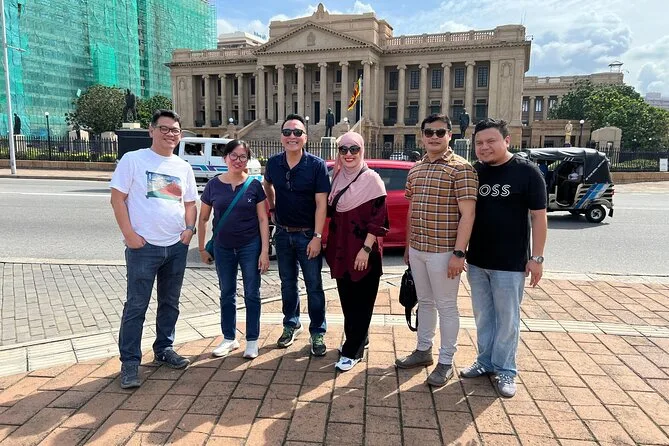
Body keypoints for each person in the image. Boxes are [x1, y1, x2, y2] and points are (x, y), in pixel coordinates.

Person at [110, 109, 197, 389]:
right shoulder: (133, 160)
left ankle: (164, 348)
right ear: (151, 130)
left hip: (175, 246)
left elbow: (189, 203)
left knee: (170, 302)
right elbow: (117, 199)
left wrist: (189, 230)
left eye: (175, 130)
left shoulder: (182, 167)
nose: (170, 134)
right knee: (136, 305)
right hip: (143, 247)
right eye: (164, 128)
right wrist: (129, 235)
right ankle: (130, 362)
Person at [461, 118, 547, 398]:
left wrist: (537, 258)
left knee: (507, 319)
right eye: (479, 143)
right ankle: (485, 361)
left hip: (510, 263)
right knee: (483, 316)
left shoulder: (527, 172)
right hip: (477, 260)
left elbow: (539, 217)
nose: (484, 147)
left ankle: (506, 369)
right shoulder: (475, 172)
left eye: (491, 141)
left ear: (507, 141)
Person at [395, 113, 478, 387]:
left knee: (446, 306)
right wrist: (408, 245)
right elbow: (412, 209)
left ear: (449, 135)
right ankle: (423, 350)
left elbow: (468, 215)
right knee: (426, 302)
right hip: (418, 249)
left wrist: (459, 253)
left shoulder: (461, 169)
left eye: (440, 132)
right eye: (429, 132)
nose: (434, 137)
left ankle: (446, 361)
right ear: (422, 136)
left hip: (444, 251)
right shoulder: (416, 169)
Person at [263, 113, 331, 356]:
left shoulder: (316, 165)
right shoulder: (274, 163)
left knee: (314, 285)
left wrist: (317, 237)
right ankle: (291, 324)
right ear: (281, 136)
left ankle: (318, 331)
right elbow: (267, 184)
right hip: (283, 234)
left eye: (297, 132)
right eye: (287, 132)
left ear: (305, 137)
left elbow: (321, 204)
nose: (292, 136)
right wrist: (272, 208)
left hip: (307, 235)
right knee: (287, 284)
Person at [198, 140, 270, 360]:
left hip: (250, 246)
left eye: (243, 157)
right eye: (234, 156)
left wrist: (264, 251)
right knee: (227, 293)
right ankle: (229, 337)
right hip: (223, 247)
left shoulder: (254, 186)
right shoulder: (213, 185)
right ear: (225, 158)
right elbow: (203, 218)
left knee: (252, 293)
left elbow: (263, 219)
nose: (238, 161)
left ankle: (252, 339)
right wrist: (201, 248)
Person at [325, 132, 388, 372]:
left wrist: (366, 249)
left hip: (363, 250)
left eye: (354, 149)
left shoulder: (372, 180)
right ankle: (359, 338)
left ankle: (353, 350)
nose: (349, 154)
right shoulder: (337, 177)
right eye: (343, 149)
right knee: (347, 300)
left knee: (362, 302)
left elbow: (379, 220)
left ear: (362, 150)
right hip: (341, 249)